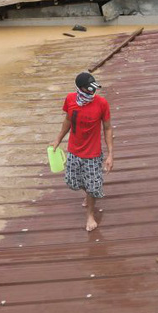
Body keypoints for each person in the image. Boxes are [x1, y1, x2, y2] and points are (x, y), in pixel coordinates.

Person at [50, 72, 114, 232]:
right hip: (74, 150)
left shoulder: (102, 103)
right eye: (89, 89)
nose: (93, 92)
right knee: (72, 182)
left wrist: (110, 154)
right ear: (80, 89)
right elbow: (68, 120)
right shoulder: (70, 99)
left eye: (94, 89)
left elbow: (107, 128)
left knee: (92, 187)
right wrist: (58, 139)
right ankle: (90, 192)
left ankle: (90, 215)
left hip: (92, 154)